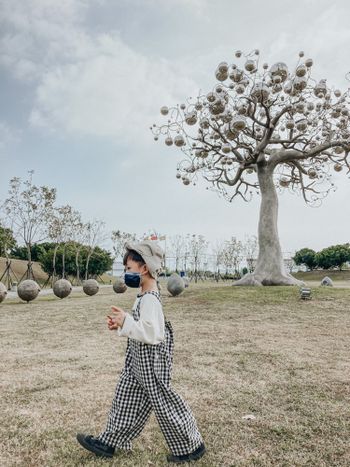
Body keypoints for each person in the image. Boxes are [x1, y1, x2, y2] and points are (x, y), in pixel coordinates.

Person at [76, 240, 206, 463]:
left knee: (163, 401)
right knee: (126, 397)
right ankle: (109, 442)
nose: (126, 273)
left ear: (144, 268)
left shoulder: (150, 299)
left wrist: (126, 320)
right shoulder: (143, 296)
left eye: (129, 268)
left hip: (150, 361)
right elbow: (139, 327)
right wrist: (122, 323)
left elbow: (153, 334)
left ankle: (192, 445)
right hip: (137, 358)